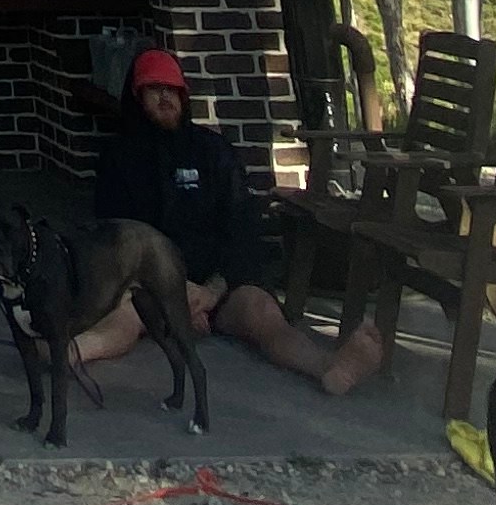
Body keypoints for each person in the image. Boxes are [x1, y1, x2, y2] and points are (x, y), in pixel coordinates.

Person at [79, 49, 386, 400]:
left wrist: (211, 292)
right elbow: (117, 235)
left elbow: (243, 227)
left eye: (172, 89)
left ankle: (329, 366)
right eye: (154, 89)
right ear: (138, 97)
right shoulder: (119, 159)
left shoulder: (213, 151)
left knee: (263, 313)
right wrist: (173, 291)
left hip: (218, 288)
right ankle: (67, 352)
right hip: (152, 290)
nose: (165, 97)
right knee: (123, 318)